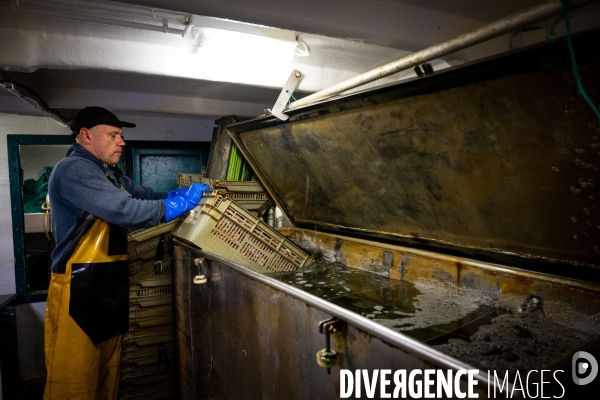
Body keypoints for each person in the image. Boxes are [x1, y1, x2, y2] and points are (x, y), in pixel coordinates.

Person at [44, 106, 209, 400]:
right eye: (114, 135)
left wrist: (175, 196)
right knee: (74, 380)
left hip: (107, 286)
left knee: (107, 373)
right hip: (77, 288)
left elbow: (144, 196)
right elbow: (127, 210)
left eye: (121, 135)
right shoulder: (74, 170)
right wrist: (173, 208)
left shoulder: (108, 175)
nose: (122, 142)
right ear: (86, 136)